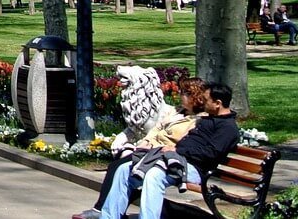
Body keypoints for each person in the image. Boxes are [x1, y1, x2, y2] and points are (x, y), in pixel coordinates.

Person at [87, 82, 239, 219]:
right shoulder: (210, 119)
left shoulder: (227, 128)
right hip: (175, 159)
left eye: (206, 101)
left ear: (218, 103)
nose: (202, 103)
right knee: (124, 169)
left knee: (154, 175)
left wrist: (178, 150)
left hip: (194, 168)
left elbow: (210, 153)